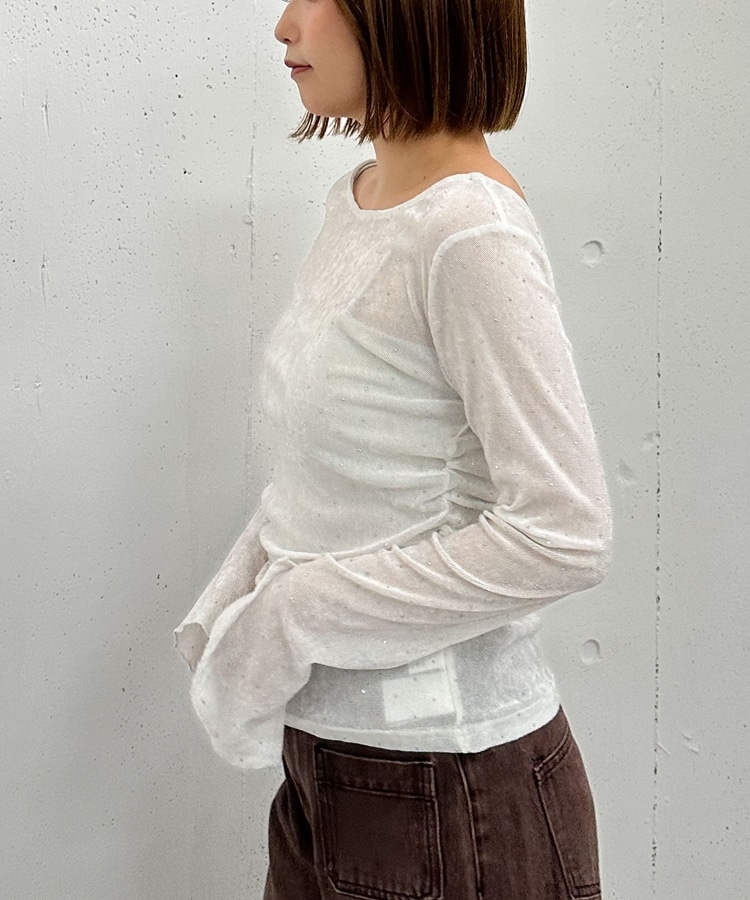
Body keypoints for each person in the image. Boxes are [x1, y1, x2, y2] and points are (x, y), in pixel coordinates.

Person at [175, 0, 612, 897]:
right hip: (330, 766)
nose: (284, 24)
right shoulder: (362, 201)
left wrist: (292, 613)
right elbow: (340, 472)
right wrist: (237, 600)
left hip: (452, 790)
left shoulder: (470, 233)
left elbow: (564, 533)